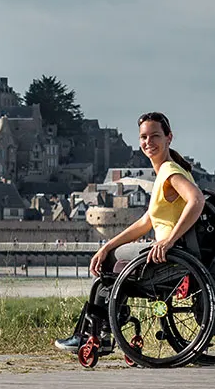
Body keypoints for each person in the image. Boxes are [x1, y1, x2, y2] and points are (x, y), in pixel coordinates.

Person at [55, 111, 206, 354]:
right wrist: (106, 246)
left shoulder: (170, 171)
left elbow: (196, 200)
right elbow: (146, 221)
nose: (149, 142)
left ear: (169, 138)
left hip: (170, 257)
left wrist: (168, 241)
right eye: (144, 137)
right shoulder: (166, 173)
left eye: (155, 136)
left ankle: (93, 335)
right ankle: (105, 329)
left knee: (109, 267)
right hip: (173, 255)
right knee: (112, 259)